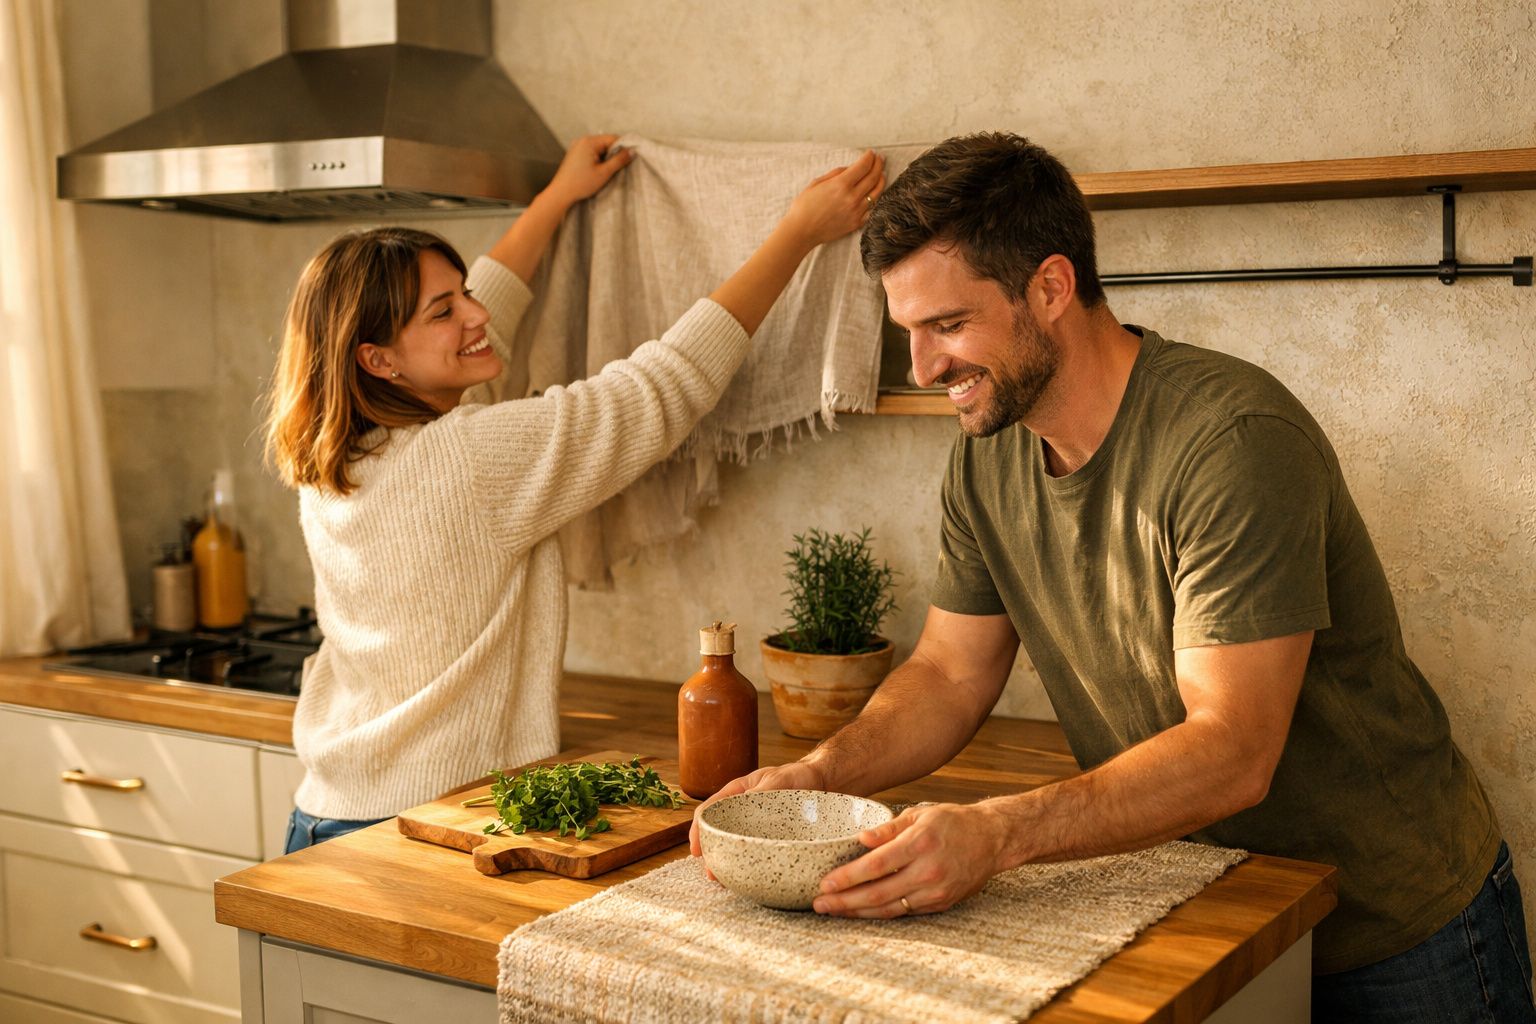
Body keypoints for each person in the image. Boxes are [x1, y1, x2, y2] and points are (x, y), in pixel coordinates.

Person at [690, 132, 1533, 1022]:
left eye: (947, 325)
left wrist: (997, 832)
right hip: (1201, 905)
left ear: (1052, 287)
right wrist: (821, 778)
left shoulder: (1231, 441)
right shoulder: (988, 459)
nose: (926, 369)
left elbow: (1234, 750)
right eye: (909, 332)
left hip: (1392, 929)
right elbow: (948, 672)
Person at [264, 135, 885, 854]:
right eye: (443, 310)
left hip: (324, 810)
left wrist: (557, 199)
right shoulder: (470, 458)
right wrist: (798, 233)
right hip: (417, 826)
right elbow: (659, 387)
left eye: (464, 291)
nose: (475, 315)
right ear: (379, 360)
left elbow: (477, 316)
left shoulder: (338, 454)